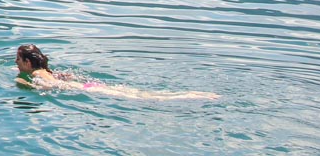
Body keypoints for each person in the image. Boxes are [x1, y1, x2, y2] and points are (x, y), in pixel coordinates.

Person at [14, 44, 219, 100]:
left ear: (28, 64)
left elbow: (49, 87)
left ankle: (189, 96)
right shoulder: (48, 70)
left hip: (88, 91)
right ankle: (192, 94)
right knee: (141, 94)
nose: (16, 62)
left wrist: (24, 84)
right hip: (91, 86)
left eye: (18, 59)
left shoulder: (36, 75)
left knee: (145, 99)